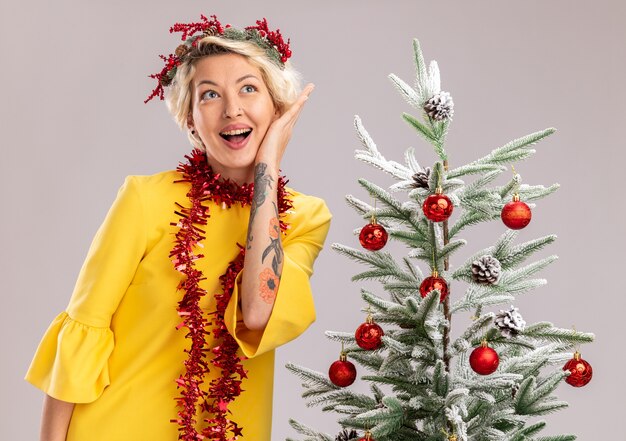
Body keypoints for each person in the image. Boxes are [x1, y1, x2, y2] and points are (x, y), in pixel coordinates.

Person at [25, 15, 331, 441]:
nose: (232, 109)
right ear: (191, 122)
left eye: (248, 88)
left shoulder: (305, 217)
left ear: (277, 109)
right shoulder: (144, 200)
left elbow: (259, 312)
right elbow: (84, 329)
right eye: (210, 95)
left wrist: (267, 169)